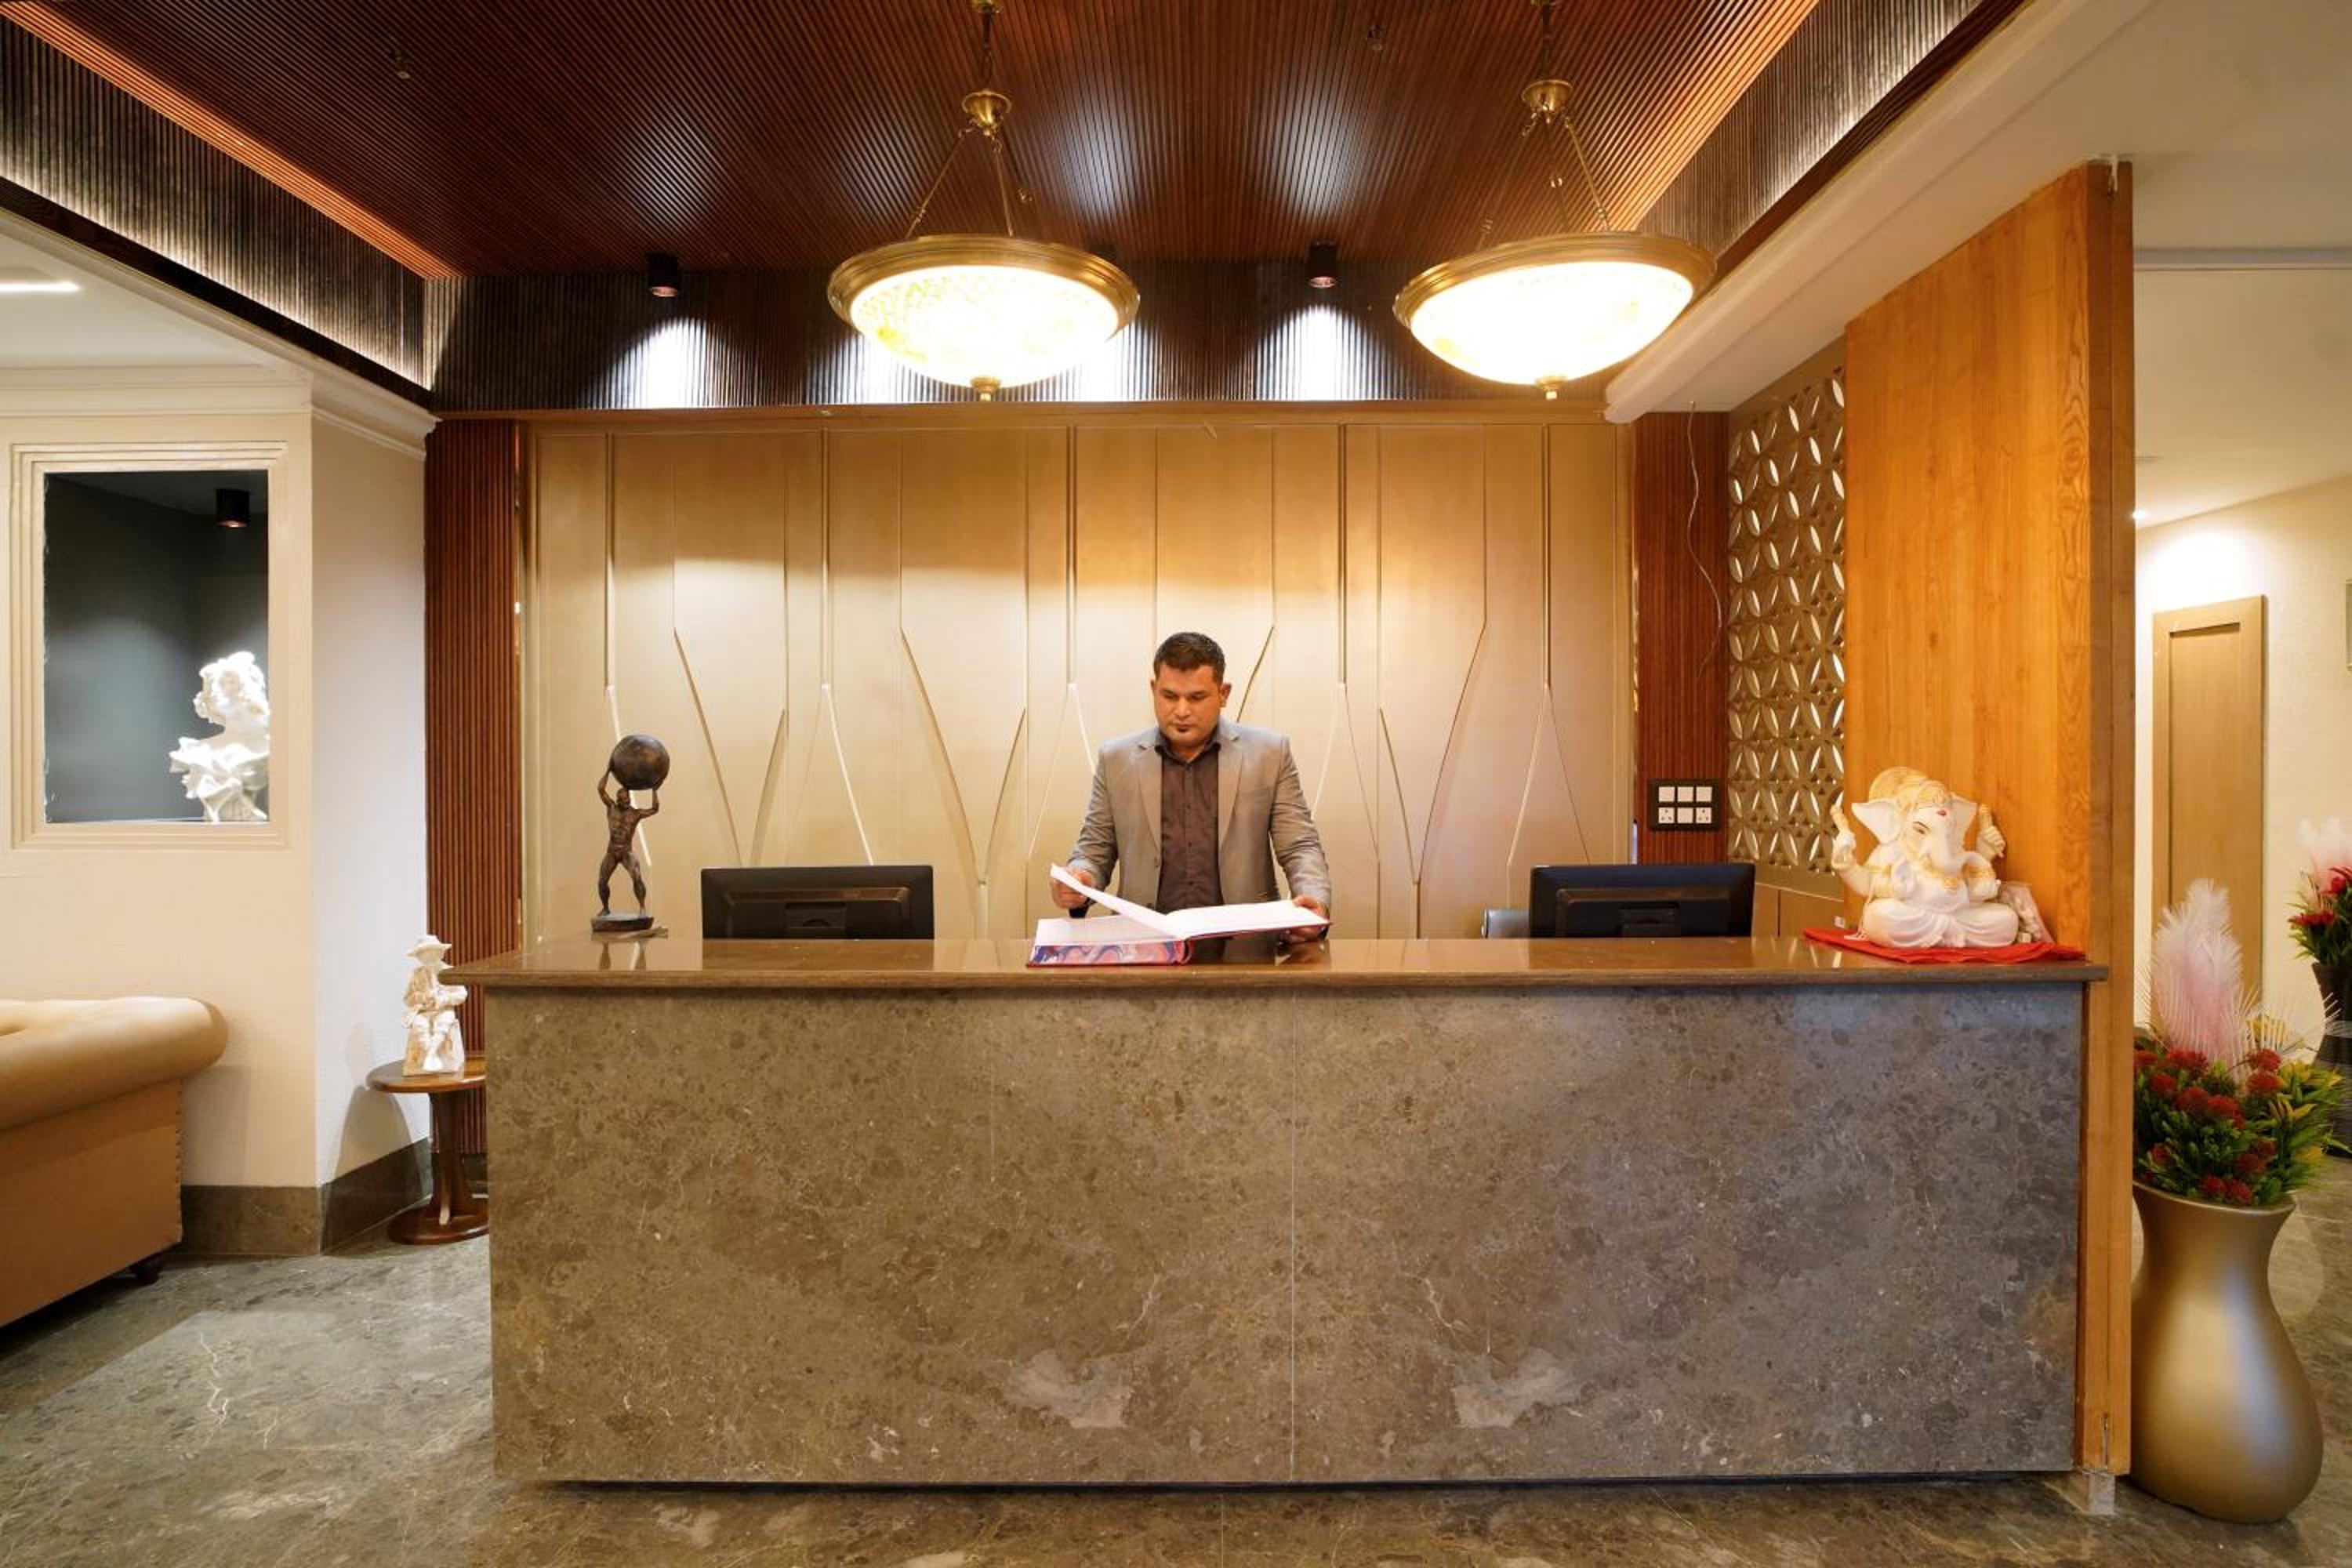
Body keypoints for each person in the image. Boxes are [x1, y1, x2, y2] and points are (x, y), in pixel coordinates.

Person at [1055, 631, 1331, 942]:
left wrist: (1314, 901)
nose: (1182, 711)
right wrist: (1079, 879)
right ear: (1153, 690)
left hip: (1245, 948)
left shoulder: (1270, 754)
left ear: (1223, 693)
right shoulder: (1116, 759)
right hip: (1142, 947)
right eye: (1169, 696)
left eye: (1197, 698)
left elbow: (1299, 846)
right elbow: (1094, 850)